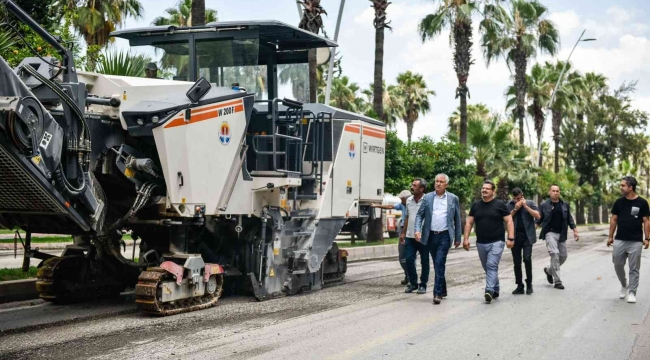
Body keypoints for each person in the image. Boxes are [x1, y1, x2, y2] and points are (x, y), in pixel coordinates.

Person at [463, 180, 514, 303]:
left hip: (497, 241)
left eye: (487, 188)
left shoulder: (500, 204)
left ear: (493, 191)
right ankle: (495, 288)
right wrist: (465, 239)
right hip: (481, 242)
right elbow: (469, 222)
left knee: (491, 265)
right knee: (487, 267)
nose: (484, 190)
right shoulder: (476, 206)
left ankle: (489, 290)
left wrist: (511, 238)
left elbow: (509, 221)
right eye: (483, 188)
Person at [414, 174, 462, 305]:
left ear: (446, 184)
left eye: (441, 182)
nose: (438, 184)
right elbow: (419, 215)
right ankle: (443, 288)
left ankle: (437, 293)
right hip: (430, 235)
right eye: (437, 181)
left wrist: (458, 237)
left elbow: (457, 219)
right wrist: (417, 230)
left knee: (440, 262)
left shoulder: (453, 198)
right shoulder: (427, 197)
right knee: (437, 263)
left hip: (445, 235)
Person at [607, 176, 650, 303]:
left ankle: (632, 292)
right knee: (617, 264)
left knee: (634, 268)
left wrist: (647, 238)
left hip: (636, 241)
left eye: (623, 185)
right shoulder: (619, 202)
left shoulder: (642, 203)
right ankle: (624, 284)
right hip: (620, 239)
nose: (621, 188)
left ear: (630, 187)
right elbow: (614, 219)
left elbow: (646, 221)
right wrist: (610, 236)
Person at [537, 184, 579, 290]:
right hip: (549, 233)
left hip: (562, 234)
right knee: (554, 254)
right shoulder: (544, 205)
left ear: (559, 192)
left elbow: (569, 218)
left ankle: (549, 271)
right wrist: (532, 232)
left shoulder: (565, 205)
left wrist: (575, 230)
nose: (555, 192)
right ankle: (557, 281)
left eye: (557, 191)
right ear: (549, 192)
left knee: (563, 256)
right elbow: (538, 219)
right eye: (553, 191)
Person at [372, 190, 412, 285]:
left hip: (412, 231)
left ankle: (411, 277)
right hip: (403, 230)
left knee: (410, 257)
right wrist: (377, 206)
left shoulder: (414, 204)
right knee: (402, 257)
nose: (401, 201)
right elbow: (390, 206)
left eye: (402, 199)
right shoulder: (402, 205)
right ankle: (408, 275)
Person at [506, 188, 540, 295]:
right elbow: (506, 219)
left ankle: (529, 283)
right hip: (515, 237)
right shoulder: (510, 204)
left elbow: (538, 215)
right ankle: (519, 285)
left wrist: (525, 206)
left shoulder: (530, 203)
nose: (517, 200)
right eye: (515, 198)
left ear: (522, 195)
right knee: (516, 262)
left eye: (519, 198)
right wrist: (515, 209)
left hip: (527, 237)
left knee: (527, 259)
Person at [401, 179, 429, 294]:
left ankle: (423, 284)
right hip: (410, 236)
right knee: (408, 259)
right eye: (412, 184)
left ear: (421, 189)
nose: (412, 187)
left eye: (414, 185)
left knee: (424, 261)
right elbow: (407, 217)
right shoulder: (408, 200)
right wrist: (403, 232)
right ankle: (413, 283)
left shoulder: (428, 200)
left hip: (423, 237)